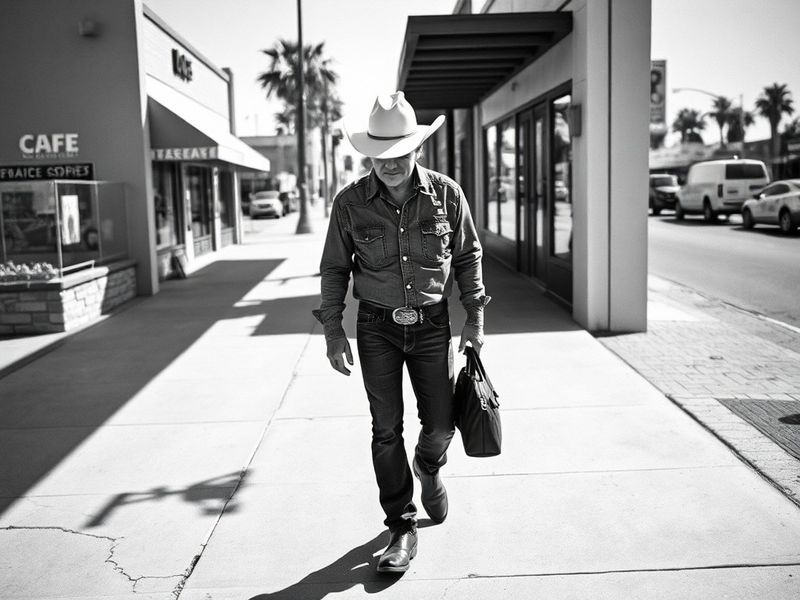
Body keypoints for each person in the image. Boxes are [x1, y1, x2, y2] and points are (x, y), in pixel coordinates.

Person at [312, 91, 489, 574]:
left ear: (417, 149)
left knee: (440, 424)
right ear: (367, 153)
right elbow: (334, 269)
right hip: (376, 328)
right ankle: (401, 526)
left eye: (400, 153)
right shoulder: (349, 203)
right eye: (380, 155)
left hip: (433, 325)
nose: (389, 164)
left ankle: (429, 466)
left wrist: (474, 319)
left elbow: (469, 254)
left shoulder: (446, 194)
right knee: (386, 428)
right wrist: (333, 330)